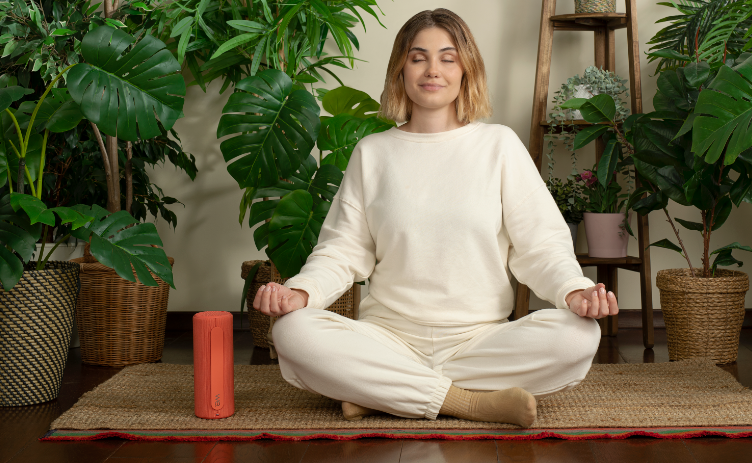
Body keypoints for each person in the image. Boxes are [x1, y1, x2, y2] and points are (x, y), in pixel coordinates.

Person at [251, 8, 618, 429]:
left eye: (447, 57)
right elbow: (342, 249)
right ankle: (469, 402)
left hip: (480, 339)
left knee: (578, 335)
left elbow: (540, 244)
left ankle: (382, 394)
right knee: (292, 332)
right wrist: (301, 292)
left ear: (466, 69)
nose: (432, 70)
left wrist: (574, 290)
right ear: (401, 69)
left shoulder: (498, 145)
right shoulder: (373, 153)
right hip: (388, 338)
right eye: (417, 56)